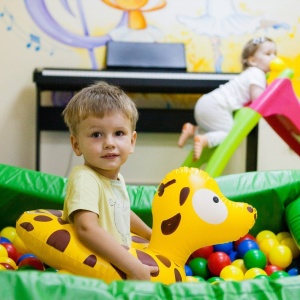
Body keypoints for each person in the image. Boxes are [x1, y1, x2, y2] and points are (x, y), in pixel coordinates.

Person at [62, 81, 158, 280]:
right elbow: (86, 228)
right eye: (96, 134)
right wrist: (133, 267)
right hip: (94, 274)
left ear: (132, 142)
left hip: (115, 269)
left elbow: (120, 210)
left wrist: (151, 234)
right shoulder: (84, 178)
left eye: (119, 133)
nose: (109, 143)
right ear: (76, 144)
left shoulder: (115, 178)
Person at [178, 36, 278, 161]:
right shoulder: (257, 73)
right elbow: (259, 100)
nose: (274, 58)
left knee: (216, 128)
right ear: (252, 60)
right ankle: (205, 139)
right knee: (230, 134)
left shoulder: (248, 73)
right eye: (268, 54)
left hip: (206, 102)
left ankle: (193, 130)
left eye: (275, 54)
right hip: (216, 106)